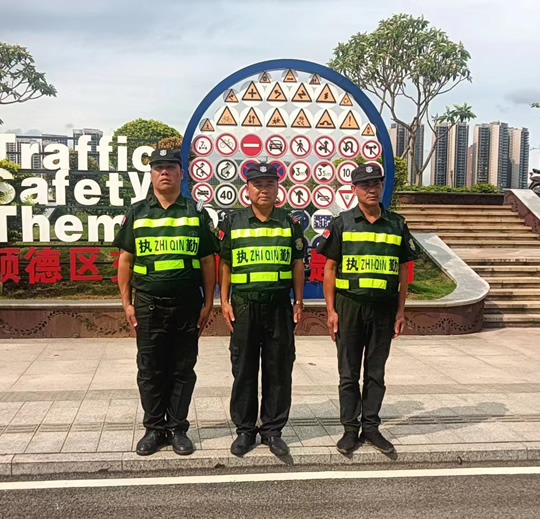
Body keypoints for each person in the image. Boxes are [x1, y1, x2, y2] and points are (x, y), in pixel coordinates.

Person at [113, 148, 218, 456]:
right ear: (151, 174)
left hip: (187, 305)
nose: (164, 172)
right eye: (158, 167)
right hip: (148, 305)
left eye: (171, 167)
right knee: (150, 369)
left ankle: (177, 428)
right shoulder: (137, 212)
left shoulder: (196, 212)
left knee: (183, 369)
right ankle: (154, 429)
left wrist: (208, 302)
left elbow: (208, 260)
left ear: (181, 173)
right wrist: (126, 303)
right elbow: (125, 260)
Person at [317, 163, 417, 455]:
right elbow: (329, 269)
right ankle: (350, 429)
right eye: (365, 185)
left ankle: (371, 427)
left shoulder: (397, 224)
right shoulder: (342, 223)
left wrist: (400, 311)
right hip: (349, 306)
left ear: (382, 187)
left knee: (376, 372)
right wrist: (331, 311)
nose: (372, 189)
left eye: (376, 184)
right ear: (354, 189)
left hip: (384, 309)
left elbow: (402, 271)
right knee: (348, 373)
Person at [218, 162, 305, 457]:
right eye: (258, 184)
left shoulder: (290, 222)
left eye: (269, 184)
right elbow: (225, 263)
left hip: (279, 305)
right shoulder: (233, 222)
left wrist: (299, 301)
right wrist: (224, 301)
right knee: (243, 369)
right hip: (244, 305)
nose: (264, 189)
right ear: (247, 189)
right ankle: (245, 430)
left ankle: (272, 431)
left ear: (278, 188)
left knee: (278, 369)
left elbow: (297, 263)